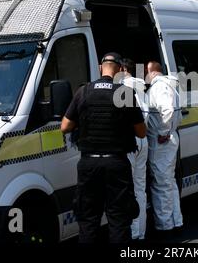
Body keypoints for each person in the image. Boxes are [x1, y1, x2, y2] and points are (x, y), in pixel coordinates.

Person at [61, 52, 146, 243]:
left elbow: (65, 126)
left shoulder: (83, 91)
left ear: (101, 67)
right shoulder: (124, 93)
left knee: (88, 219)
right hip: (116, 164)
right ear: (119, 70)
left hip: (89, 164)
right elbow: (141, 133)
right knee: (118, 219)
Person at [145, 61, 183, 237]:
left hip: (161, 140)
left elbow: (167, 109)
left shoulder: (159, 87)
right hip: (168, 138)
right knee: (168, 182)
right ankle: (176, 220)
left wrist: (163, 131)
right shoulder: (169, 85)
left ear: (152, 72)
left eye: (145, 72)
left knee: (161, 184)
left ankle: (165, 226)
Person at [120, 58, 149, 241]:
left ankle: (132, 232)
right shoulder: (142, 87)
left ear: (122, 69)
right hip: (142, 139)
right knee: (140, 188)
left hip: (129, 141)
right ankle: (140, 232)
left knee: (127, 189)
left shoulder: (122, 87)